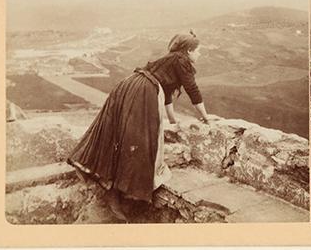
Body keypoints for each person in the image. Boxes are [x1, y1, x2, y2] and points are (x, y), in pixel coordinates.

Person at [67, 30, 210, 221]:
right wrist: (206, 118)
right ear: (189, 50)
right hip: (142, 92)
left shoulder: (169, 61)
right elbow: (193, 90)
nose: (200, 54)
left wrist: (174, 122)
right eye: (199, 50)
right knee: (137, 142)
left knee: (120, 136)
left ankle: (115, 189)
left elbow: (167, 97)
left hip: (129, 86)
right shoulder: (181, 60)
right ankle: (118, 193)